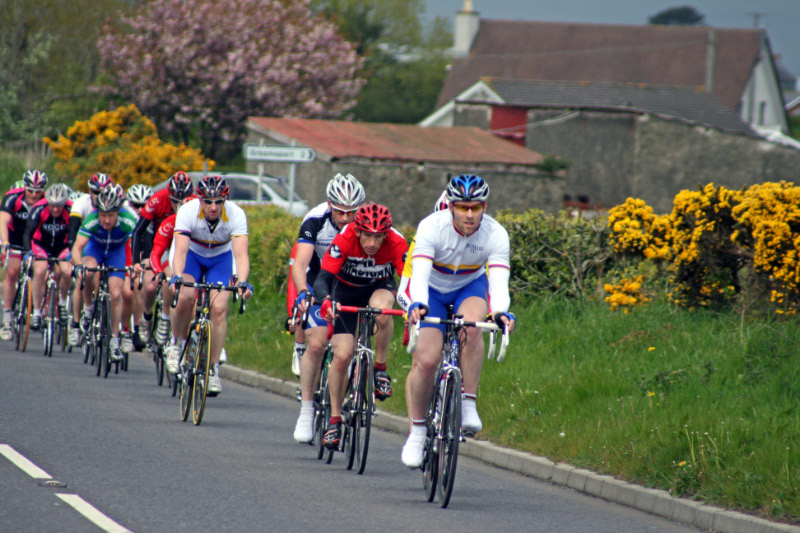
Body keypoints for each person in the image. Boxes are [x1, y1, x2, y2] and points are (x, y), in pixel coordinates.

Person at [401, 175, 516, 468]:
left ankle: (468, 403)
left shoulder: (496, 234)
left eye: (475, 208)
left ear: (484, 207)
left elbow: (498, 283)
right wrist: (418, 304)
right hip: (433, 290)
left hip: (469, 286)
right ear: (451, 206)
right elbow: (419, 276)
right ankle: (417, 430)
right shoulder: (431, 226)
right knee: (427, 360)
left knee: (473, 326)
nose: (469, 214)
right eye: (463, 207)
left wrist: (500, 312)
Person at [313, 202, 408, 450]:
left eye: (378, 237)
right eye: (367, 236)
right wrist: (326, 300)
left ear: (386, 234)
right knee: (343, 355)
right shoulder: (345, 238)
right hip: (345, 292)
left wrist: (413, 306)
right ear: (358, 231)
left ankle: (380, 368)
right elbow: (323, 278)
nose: (372, 243)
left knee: (382, 312)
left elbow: (410, 282)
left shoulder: (397, 242)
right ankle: (335, 419)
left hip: (379, 287)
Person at [290, 173, 366, 443]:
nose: (345, 218)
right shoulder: (315, 220)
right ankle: (306, 410)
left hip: (351, 284)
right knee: (316, 343)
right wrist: (303, 292)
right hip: (318, 281)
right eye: (340, 211)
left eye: (351, 212)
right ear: (329, 204)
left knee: (352, 345)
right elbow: (300, 264)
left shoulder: (365, 223)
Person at [167, 175, 251, 396]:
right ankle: (174, 344)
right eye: (207, 202)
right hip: (192, 256)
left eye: (218, 202)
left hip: (220, 259)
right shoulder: (187, 211)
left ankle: (213, 369)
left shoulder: (236, 214)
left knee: (219, 309)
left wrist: (242, 281)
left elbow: (241, 255)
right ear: (199, 199)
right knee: (185, 296)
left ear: (225, 200)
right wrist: (177, 276)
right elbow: (180, 252)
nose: (213, 207)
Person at [71, 184, 137, 363]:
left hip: (116, 253)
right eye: (103, 215)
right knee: (88, 272)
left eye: (111, 215)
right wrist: (79, 265)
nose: (106, 220)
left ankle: (114, 340)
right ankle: (88, 308)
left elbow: (137, 244)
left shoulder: (128, 219)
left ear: (118, 212)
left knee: (116, 294)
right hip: (95, 250)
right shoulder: (91, 219)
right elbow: (77, 247)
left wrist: (136, 265)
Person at [132, 171, 193, 347]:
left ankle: (169, 319)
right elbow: (138, 231)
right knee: (151, 285)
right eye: (174, 200)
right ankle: (147, 316)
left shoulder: (196, 202)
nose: (179, 204)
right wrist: (136, 261)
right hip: (160, 243)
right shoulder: (157, 200)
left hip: (183, 245)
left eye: (183, 200)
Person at [0, 170, 48, 340]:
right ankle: (7, 318)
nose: (34, 195)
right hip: (14, 238)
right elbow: (3, 221)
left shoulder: (47, 202)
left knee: (41, 271)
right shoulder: (12, 197)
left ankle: (37, 309)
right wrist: (5, 243)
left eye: (38, 191)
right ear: (24, 187)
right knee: (12, 271)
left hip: (35, 241)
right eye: (30, 191)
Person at [67, 173, 114, 346]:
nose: (100, 195)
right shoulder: (81, 203)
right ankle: (78, 320)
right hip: (87, 245)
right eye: (96, 192)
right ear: (89, 191)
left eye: (104, 191)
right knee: (84, 276)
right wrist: (74, 256)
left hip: (110, 247)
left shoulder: (116, 204)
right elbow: (73, 232)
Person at [23, 183, 73, 330]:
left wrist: (73, 252)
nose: (55, 209)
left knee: (67, 271)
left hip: (62, 246)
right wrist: (29, 252)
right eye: (52, 205)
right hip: (41, 244)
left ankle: (62, 303)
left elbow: (75, 233)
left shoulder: (71, 209)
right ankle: (37, 313)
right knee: (40, 271)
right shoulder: (39, 208)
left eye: (59, 206)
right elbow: (27, 234)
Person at [125, 183, 154, 350]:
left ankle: (136, 329)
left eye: (144, 205)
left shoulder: (149, 220)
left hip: (138, 254)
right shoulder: (124, 215)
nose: (140, 209)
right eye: (136, 205)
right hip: (123, 254)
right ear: (129, 203)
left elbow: (148, 245)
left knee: (138, 285)